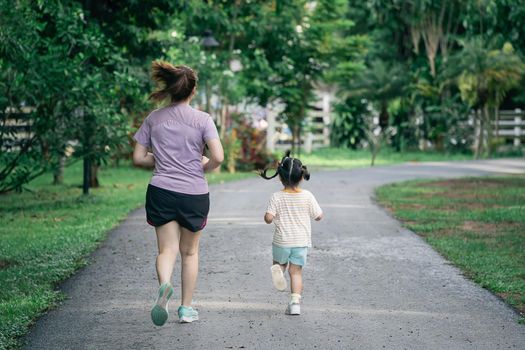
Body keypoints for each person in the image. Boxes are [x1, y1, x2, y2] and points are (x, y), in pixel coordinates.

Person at [132, 61, 223, 326]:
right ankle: (186, 308)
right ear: (192, 91)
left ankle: (165, 285)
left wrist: (160, 160)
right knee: (190, 252)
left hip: (161, 190)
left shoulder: (153, 118)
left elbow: (138, 157)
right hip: (194, 192)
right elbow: (218, 156)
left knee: (167, 249)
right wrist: (204, 165)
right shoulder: (202, 119)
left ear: (170, 89)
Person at [259, 151, 323, 315]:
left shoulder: (276, 196)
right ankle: (295, 304)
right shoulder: (307, 196)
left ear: (280, 177)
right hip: (300, 242)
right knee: (296, 272)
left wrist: (269, 217)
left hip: (282, 241)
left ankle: (279, 270)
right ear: (301, 177)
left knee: (279, 263)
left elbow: (268, 218)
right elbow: (319, 216)